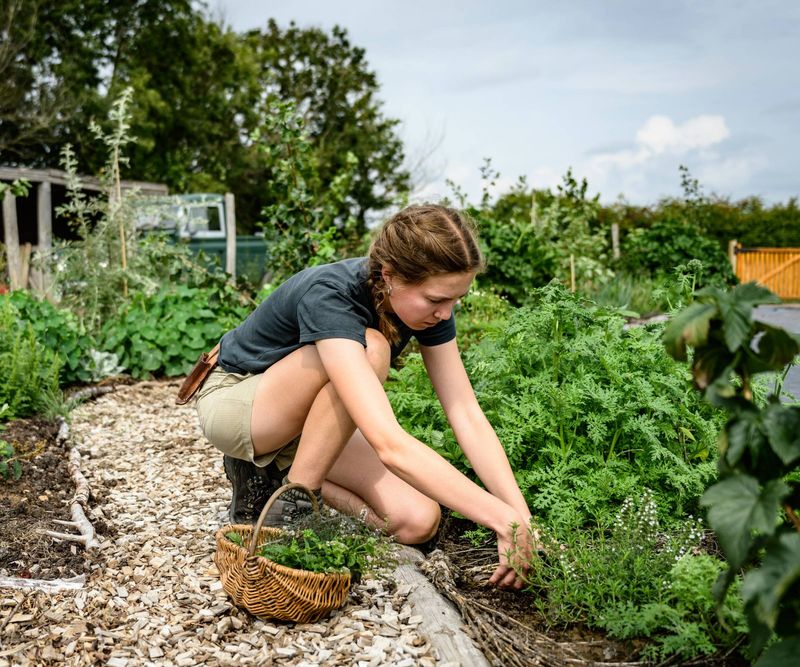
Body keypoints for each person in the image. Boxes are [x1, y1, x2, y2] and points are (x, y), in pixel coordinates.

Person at [194, 204, 534, 589]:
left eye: (455, 301)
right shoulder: (332, 294)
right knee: (371, 348)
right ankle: (292, 508)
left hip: (308, 420)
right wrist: (495, 516)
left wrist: (521, 519)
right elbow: (388, 443)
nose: (446, 313)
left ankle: (274, 478)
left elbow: (465, 413)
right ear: (389, 275)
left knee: (417, 521)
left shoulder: (431, 307)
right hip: (240, 400)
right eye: (437, 300)